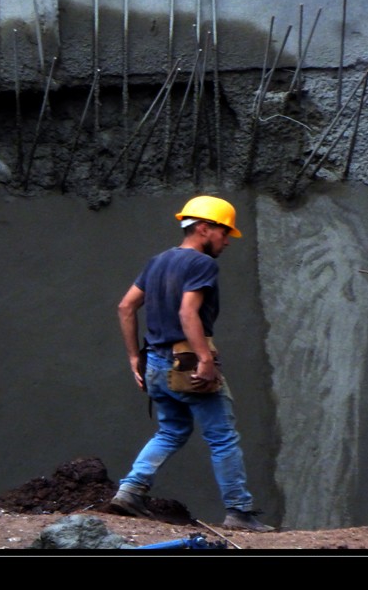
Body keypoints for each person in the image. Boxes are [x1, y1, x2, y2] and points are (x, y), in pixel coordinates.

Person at [110, 195, 274, 533]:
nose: (227, 241)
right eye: (224, 232)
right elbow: (188, 312)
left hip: (154, 362)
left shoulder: (157, 262)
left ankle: (131, 490)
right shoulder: (202, 264)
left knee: (172, 429)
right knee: (223, 437)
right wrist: (204, 359)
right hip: (187, 364)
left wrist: (132, 358)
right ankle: (239, 511)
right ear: (203, 228)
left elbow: (126, 307)